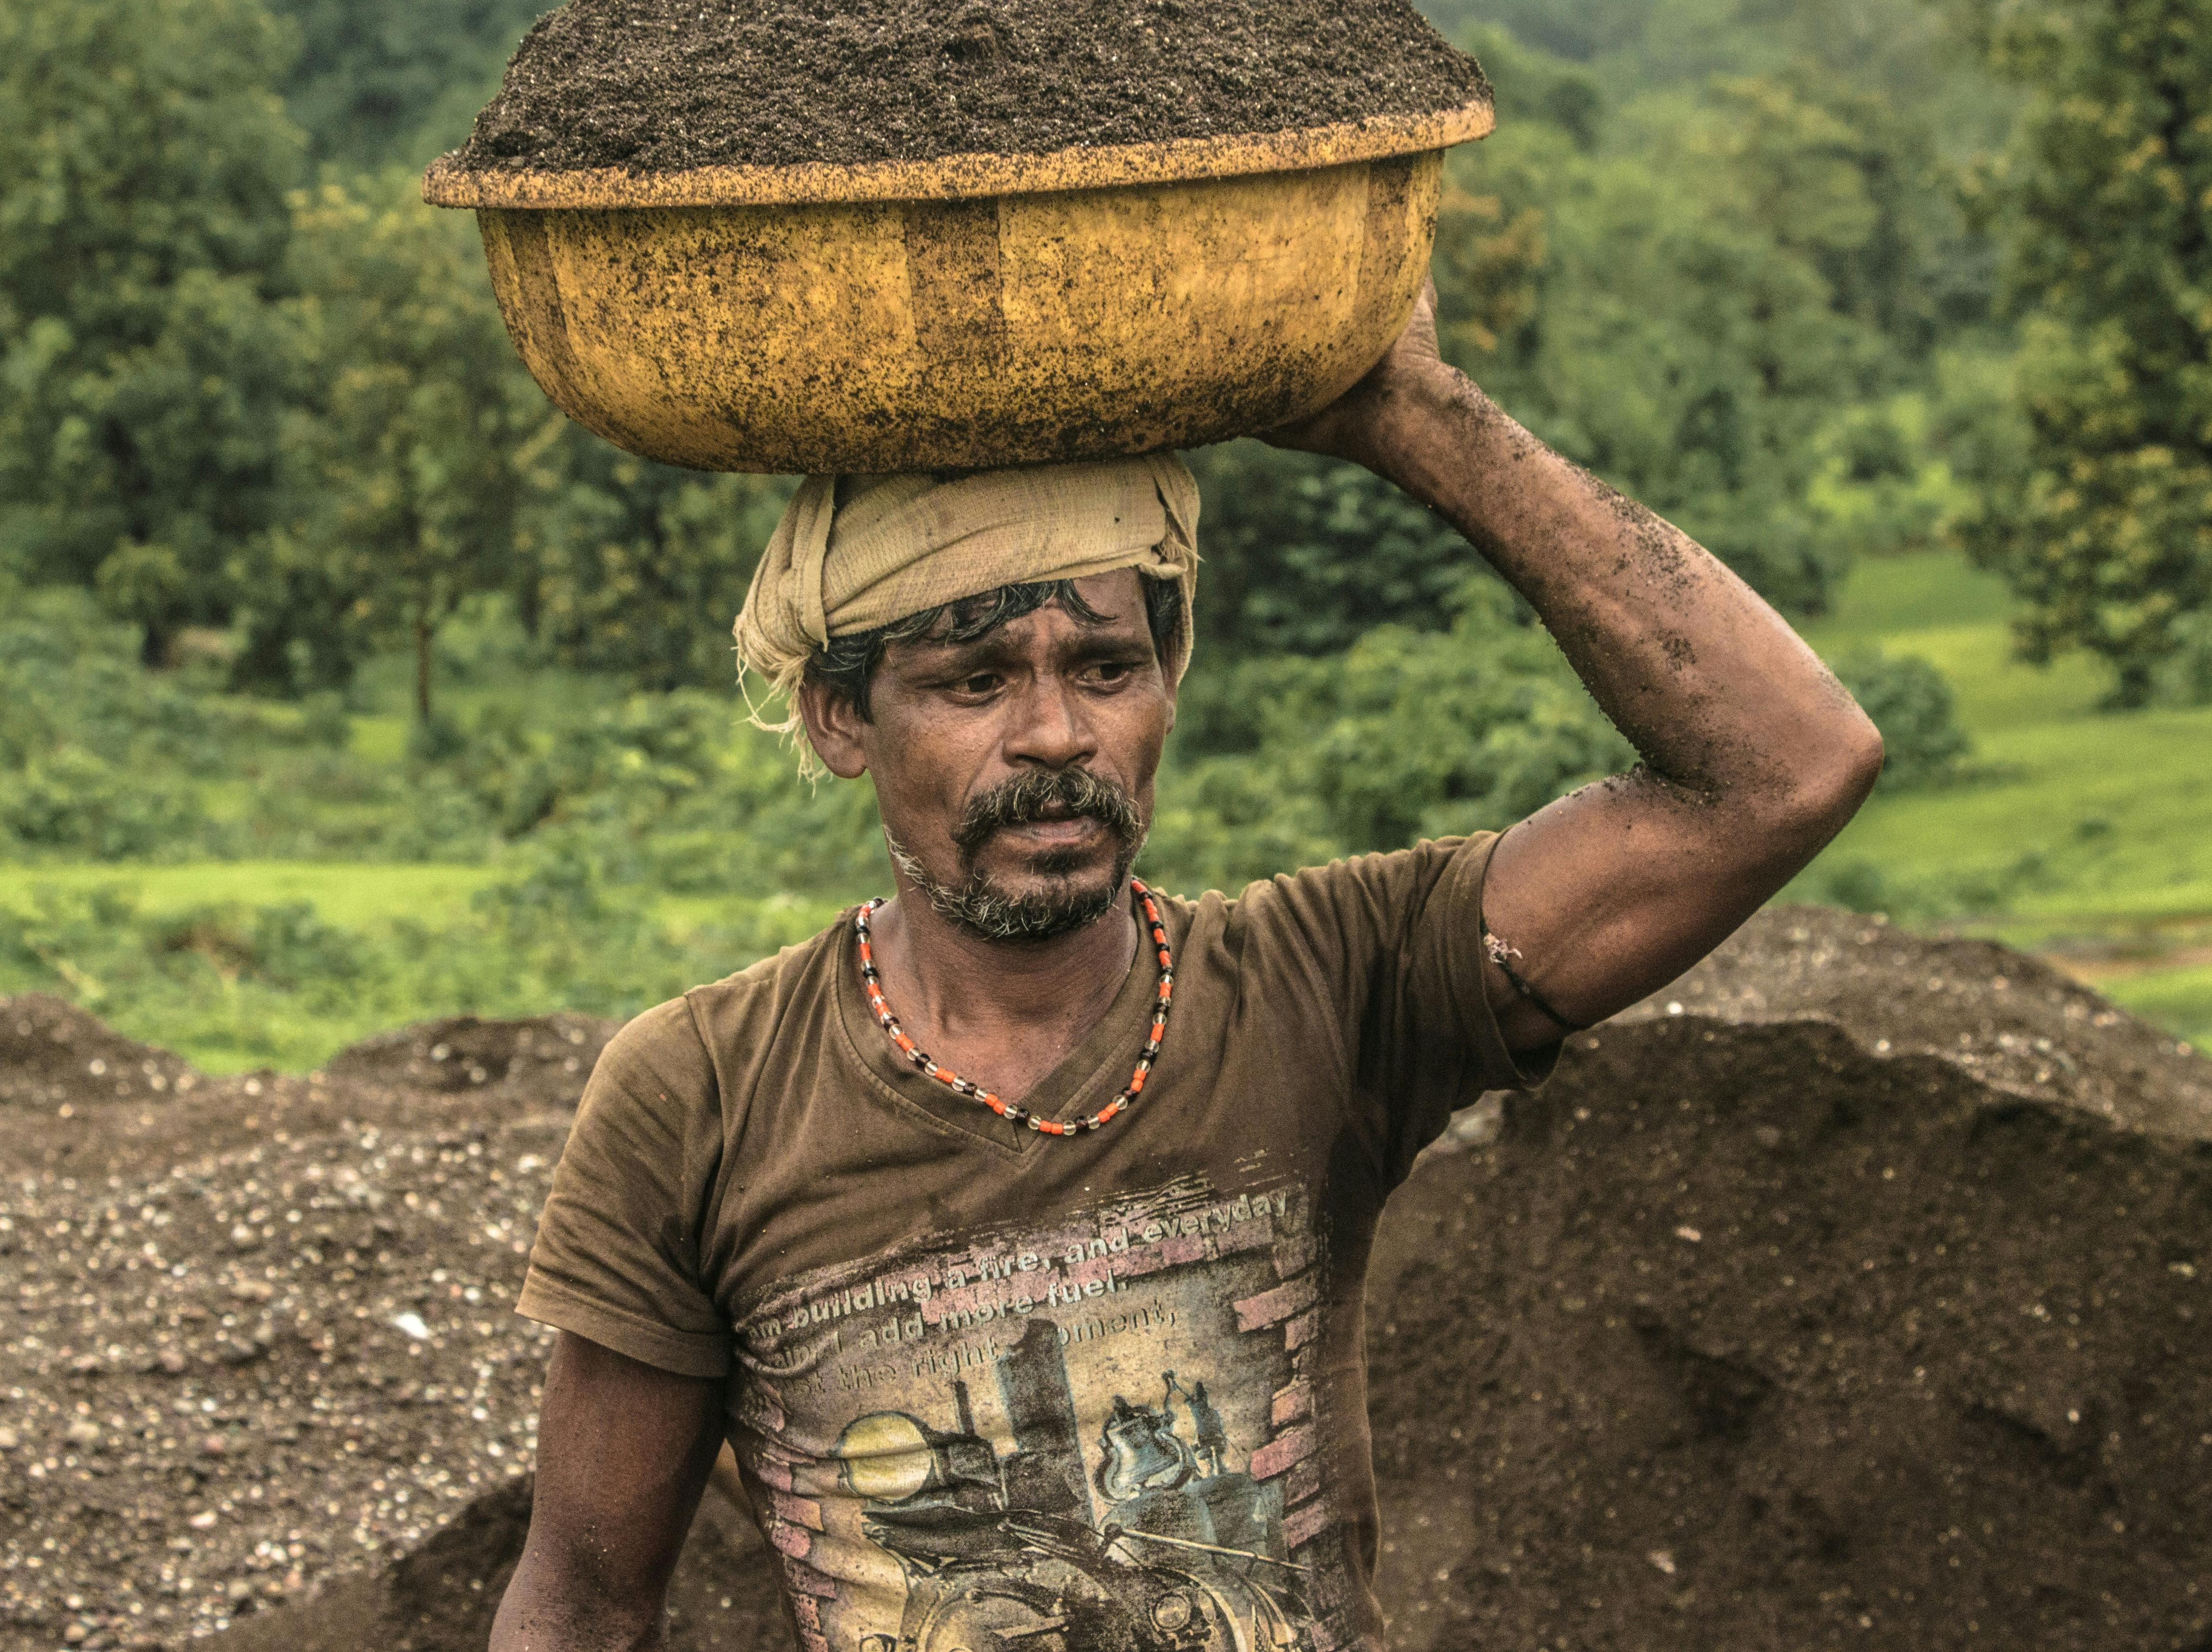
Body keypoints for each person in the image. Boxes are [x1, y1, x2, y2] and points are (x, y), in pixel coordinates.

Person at [486, 288, 1884, 1652]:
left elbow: (1781, 770)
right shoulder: (701, 1094)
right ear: (844, 715)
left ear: (1169, 679)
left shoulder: (1327, 988)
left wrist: (1411, 416)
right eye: (973, 683)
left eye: (1103, 668)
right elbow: (582, 1603)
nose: (1052, 736)